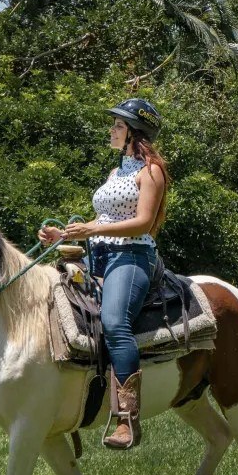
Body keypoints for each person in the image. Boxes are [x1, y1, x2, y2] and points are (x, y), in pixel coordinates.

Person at [38, 97, 168, 451]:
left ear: (133, 133)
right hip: (100, 255)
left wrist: (91, 232)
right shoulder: (116, 173)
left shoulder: (150, 171)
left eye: (118, 125)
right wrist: (65, 234)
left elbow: (142, 222)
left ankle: (127, 419)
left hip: (133, 256)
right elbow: (103, 220)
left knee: (114, 322)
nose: (111, 130)